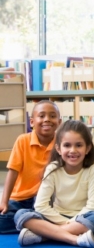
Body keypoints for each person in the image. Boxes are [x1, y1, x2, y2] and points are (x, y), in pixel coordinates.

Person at [14, 120, 94, 247]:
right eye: (67, 145)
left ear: (88, 148)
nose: (73, 150)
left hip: (81, 218)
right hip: (55, 217)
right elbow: (40, 206)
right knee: (21, 214)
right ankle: (73, 239)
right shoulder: (53, 168)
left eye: (79, 145)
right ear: (58, 148)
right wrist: (65, 223)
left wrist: (67, 223)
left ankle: (44, 236)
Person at [0, 100, 61, 234]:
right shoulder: (23, 140)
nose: (47, 120)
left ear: (59, 122)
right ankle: (39, 226)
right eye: (41, 116)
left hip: (46, 200)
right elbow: (12, 172)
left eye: (52, 116)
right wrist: (4, 202)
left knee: (60, 213)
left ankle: (31, 224)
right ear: (32, 122)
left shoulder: (62, 144)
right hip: (19, 199)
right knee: (1, 221)